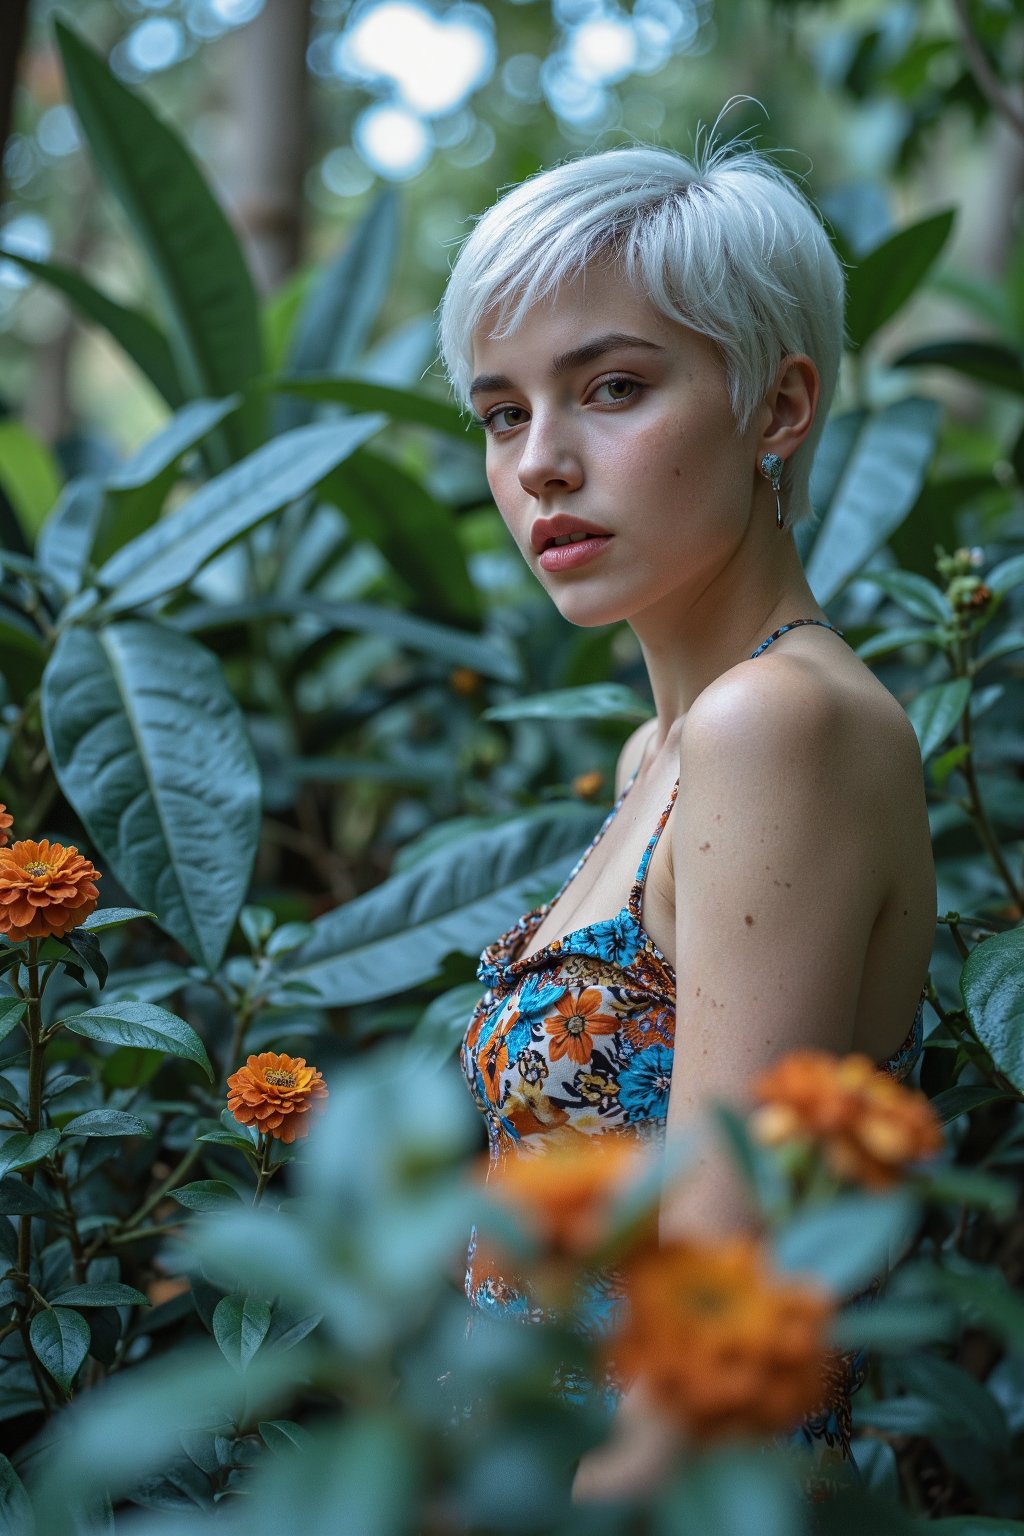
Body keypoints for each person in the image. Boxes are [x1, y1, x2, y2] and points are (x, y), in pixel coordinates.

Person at [437, 128, 937, 1501]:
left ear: (778, 408)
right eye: (501, 411)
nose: (541, 462)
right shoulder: (658, 749)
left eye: (609, 387)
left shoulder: (776, 726)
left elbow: (722, 1295)